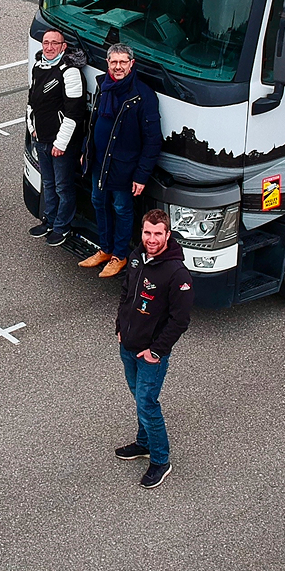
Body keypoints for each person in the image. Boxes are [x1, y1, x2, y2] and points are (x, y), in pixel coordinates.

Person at [114, 209, 194, 489]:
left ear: (167, 235)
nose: (151, 238)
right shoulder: (137, 256)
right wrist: (120, 328)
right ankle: (144, 443)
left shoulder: (177, 273)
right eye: (147, 232)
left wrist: (156, 351)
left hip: (151, 356)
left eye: (158, 233)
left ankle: (160, 461)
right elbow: (126, 291)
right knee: (139, 398)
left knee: (147, 404)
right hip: (128, 345)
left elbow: (180, 320)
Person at [81, 43, 161, 278]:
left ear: (131, 64)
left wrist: (141, 175)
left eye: (123, 62)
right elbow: (93, 121)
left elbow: (153, 140)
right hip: (99, 162)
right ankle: (104, 249)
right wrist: (87, 149)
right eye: (113, 62)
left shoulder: (143, 96)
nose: (118, 67)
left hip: (124, 168)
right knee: (98, 202)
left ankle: (119, 255)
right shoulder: (103, 86)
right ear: (107, 63)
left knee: (122, 209)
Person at [27, 28, 86, 245]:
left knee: (63, 187)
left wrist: (60, 143)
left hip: (61, 145)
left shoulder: (70, 73)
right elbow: (31, 101)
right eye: (46, 43)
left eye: (54, 43)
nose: (49, 47)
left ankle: (62, 227)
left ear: (63, 47)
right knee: (49, 184)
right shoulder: (38, 66)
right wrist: (31, 126)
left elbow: (75, 112)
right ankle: (49, 220)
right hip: (41, 139)